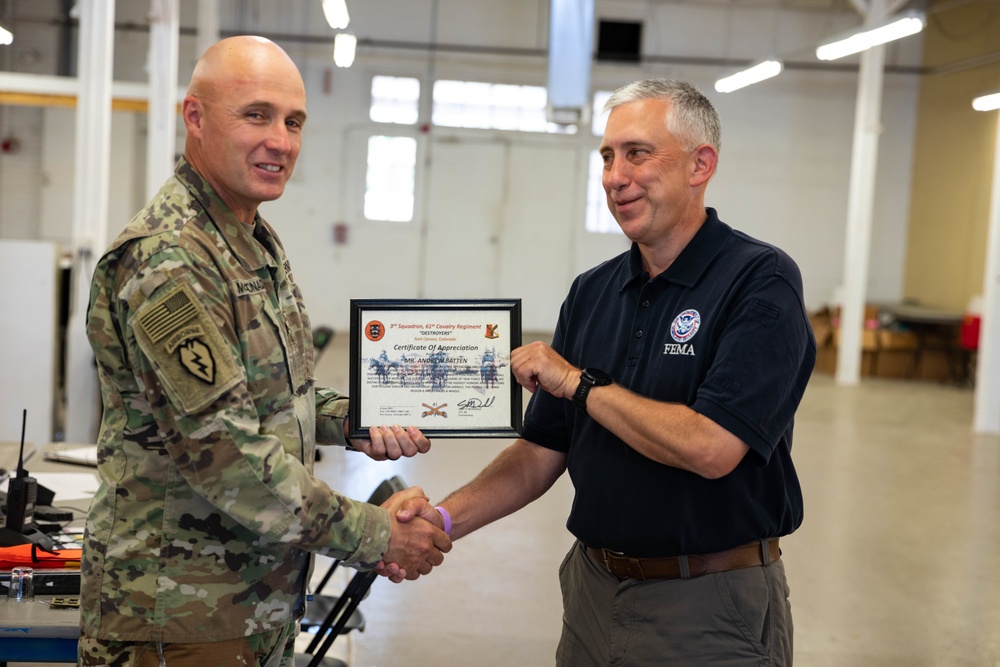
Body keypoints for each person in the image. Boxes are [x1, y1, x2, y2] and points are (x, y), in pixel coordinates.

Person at [391, 79, 815, 665]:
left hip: (708, 607)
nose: (616, 176)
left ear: (701, 165)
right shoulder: (593, 292)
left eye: (637, 153)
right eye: (608, 157)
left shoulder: (759, 281)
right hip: (591, 592)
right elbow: (542, 451)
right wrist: (439, 520)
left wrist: (577, 383)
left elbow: (712, 447)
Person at [80, 35, 449, 666]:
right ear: (195, 117)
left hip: (255, 604)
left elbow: (276, 394)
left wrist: (352, 418)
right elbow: (227, 455)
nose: (281, 141)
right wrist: (377, 533)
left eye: (294, 121)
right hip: (181, 617)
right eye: (256, 115)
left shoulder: (250, 240)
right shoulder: (170, 258)